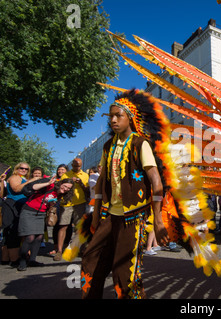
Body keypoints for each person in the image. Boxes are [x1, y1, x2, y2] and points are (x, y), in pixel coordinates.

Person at [80, 89, 169, 299]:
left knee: (125, 270)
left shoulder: (140, 144)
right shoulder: (107, 146)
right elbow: (102, 181)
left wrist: (158, 220)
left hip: (134, 216)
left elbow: (156, 181)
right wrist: (95, 216)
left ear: (129, 118)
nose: (112, 120)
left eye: (118, 115)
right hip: (110, 215)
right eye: (110, 116)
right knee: (90, 258)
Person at [17, 177, 74, 271]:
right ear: (60, 184)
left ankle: (32, 260)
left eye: (68, 188)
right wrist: (47, 183)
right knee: (30, 237)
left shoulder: (61, 194)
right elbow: (32, 187)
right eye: (65, 186)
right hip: (29, 211)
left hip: (41, 213)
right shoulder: (50, 186)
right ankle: (22, 262)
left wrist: (51, 205)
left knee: (39, 237)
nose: (66, 189)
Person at [1, 163, 37, 266]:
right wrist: (31, 181)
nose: (24, 170)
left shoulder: (24, 179)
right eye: (22, 168)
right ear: (17, 168)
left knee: (12, 231)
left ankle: (5, 258)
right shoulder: (15, 177)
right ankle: (14, 258)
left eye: (26, 169)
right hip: (12, 205)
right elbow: (16, 188)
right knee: (12, 231)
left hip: (20, 205)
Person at [54, 158, 89, 261]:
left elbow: (87, 190)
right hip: (66, 203)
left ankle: (79, 249)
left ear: (81, 165)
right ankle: (59, 251)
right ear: (72, 165)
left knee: (79, 228)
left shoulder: (85, 175)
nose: (76, 167)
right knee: (63, 226)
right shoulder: (66, 174)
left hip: (80, 203)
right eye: (74, 165)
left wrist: (81, 183)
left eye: (78, 166)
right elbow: (59, 187)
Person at [49, 164, 71, 257]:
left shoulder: (70, 181)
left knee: (67, 226)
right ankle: (56, 247)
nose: (60, 171)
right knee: (56, 225)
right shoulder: (55, 180)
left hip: (67, 205)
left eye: (63, 170)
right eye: (59, 170)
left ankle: (64, 246)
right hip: (56, 204)